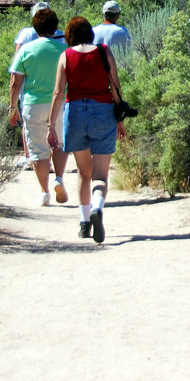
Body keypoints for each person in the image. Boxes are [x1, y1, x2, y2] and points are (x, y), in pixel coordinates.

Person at [48, 16, 127, 243]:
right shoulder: (104, 51)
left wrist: (51, 126)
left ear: (70, 35)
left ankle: (84, 224)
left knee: (83, 171)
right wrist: (119, 118)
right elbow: (115, 86)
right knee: (100, 174)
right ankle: (97, 208)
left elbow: (58, 93)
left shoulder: (66, 55)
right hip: (102, 111)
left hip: (74, 113)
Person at [7, 8, 69, 206]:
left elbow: (15, 81)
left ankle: (44, 192)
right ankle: (59, 178)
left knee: (38, 150)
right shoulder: (64, 50)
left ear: (35, 27)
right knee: (59, 144)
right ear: (55, 27)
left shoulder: (27, 49)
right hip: (58, 104)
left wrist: (12, 107)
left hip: (33, 104)